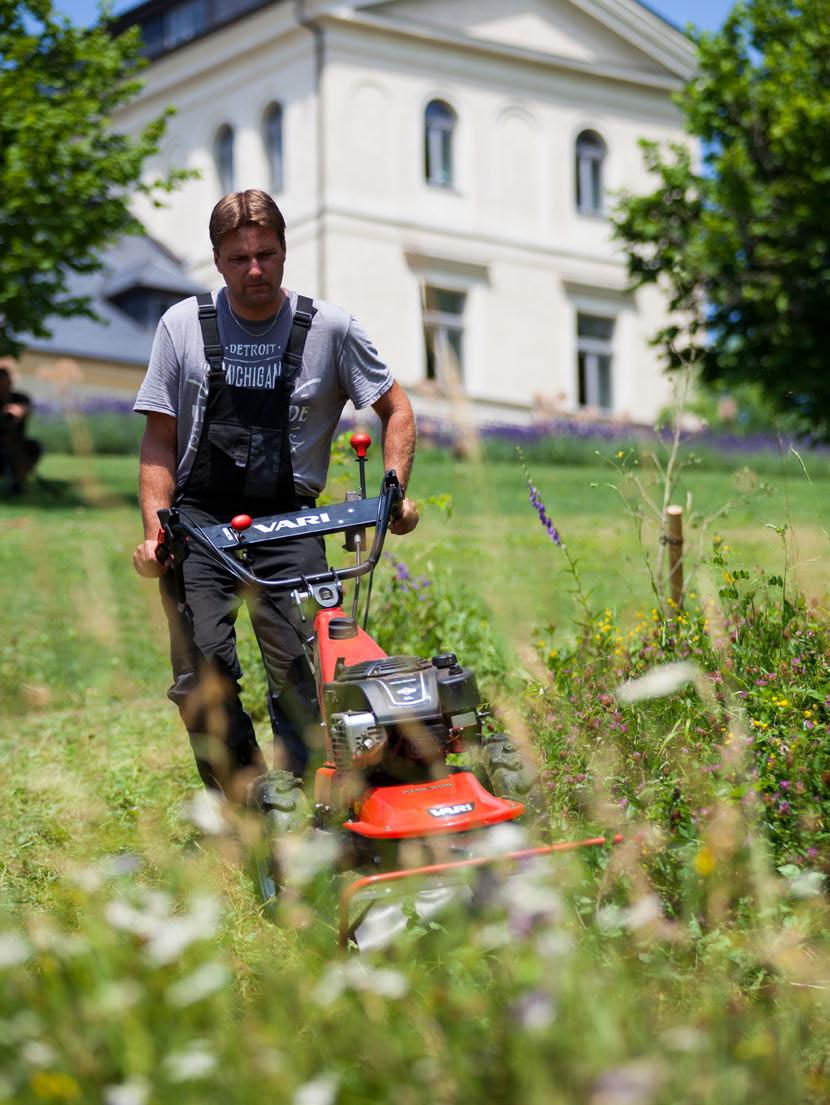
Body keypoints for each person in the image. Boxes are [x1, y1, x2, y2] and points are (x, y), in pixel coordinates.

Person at [132, 190, 418, 800]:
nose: (254, 269)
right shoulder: (181, 327)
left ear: (286, 250)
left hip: (290, 518)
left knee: (303, 665)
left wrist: (394, 490)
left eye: (266, 254)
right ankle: (250, 802)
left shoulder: (330, 328)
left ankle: (315, 793)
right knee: (202, 665)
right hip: (201, 523)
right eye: (239, 258)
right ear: (216, 260)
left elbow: (397, 408)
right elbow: (159, 439)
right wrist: (157, 533)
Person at [0, 367, 42, 497]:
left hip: (17, 443)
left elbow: (27, 407)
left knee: (31, 447)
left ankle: (18, 484)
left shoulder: (19, 398)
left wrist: (21, 410)